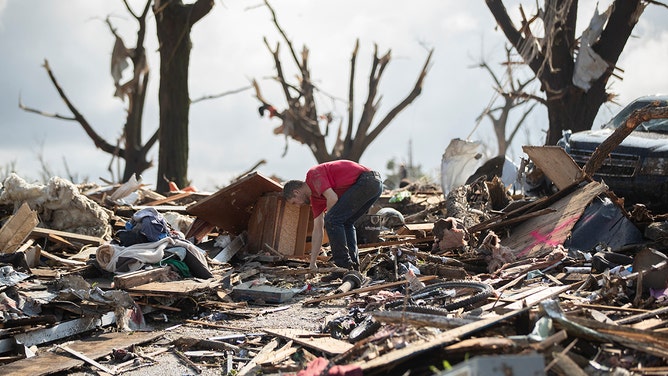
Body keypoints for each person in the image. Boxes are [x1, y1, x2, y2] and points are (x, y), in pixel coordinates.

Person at [283, 160, 383, 275]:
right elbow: (317, 231)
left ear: (296, 192)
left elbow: (332, 198)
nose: (298, 205)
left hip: (368, 181)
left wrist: (331, 220)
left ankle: (342, 267)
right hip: (374, 185)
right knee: (346, 223)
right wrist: (312, 263)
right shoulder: (316, 200)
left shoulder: (313, 175)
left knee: (332, 220)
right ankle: (353, 269)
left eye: (295, 202)